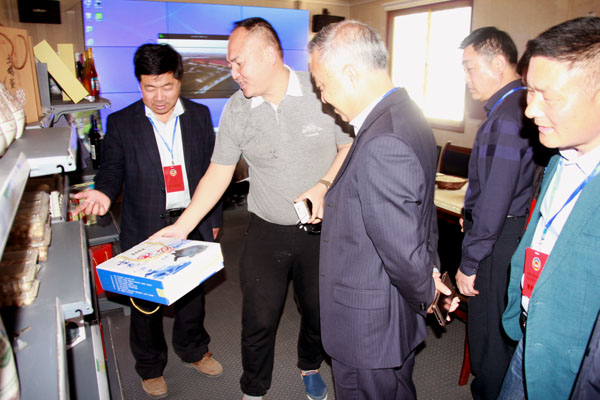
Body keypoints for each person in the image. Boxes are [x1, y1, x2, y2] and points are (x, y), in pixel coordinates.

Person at [152, 17, 353, 400]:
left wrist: (324, 184)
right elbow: (219, 171)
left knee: (318, 313)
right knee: (258, 319)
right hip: (266, 229)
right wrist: (183, 225)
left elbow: (348, 145)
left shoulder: (320, 92)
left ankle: (310, 365)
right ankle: (254, 389)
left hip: (319, 231)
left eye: (238, 62)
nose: (233, 72)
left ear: (270, 55)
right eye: (230, 64)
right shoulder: (237, 109)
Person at [308, 20, 458, 399]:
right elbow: (416, 219)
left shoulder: (382, 140)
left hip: (368, 325)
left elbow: (399, 247)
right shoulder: (408, 114)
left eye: (322, 85)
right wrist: (431, 273)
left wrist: (429, 292)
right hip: (389, 307)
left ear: (350, 74)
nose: (323, 98)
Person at [73, 43, 223, 399]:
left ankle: (194, 350)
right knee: (145, 305)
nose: (158, 97)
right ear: (139, 83)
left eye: (166, 86)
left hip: (191, 220)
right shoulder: (122, 122)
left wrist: (213, 218)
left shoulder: (199, 115)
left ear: (179, 81)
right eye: (149, 87)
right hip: (144, 224)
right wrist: (103, 193)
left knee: (192, 296)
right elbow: (112, 170)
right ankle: (150, 367)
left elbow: (212, 171)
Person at [498, 16, 600, 399]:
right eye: (530, 91)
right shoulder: (560, 156)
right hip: (533, 339)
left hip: (578, 367)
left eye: (549, 97)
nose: (530, 110)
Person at [455, 27, 538, 400]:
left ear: (499, 62)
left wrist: (470, 260)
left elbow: (496, 199)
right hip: (508, 232)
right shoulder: (516, 106)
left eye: (470, 68)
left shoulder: (506, 117)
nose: (467, 78)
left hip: (498, 239)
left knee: (489, 339)